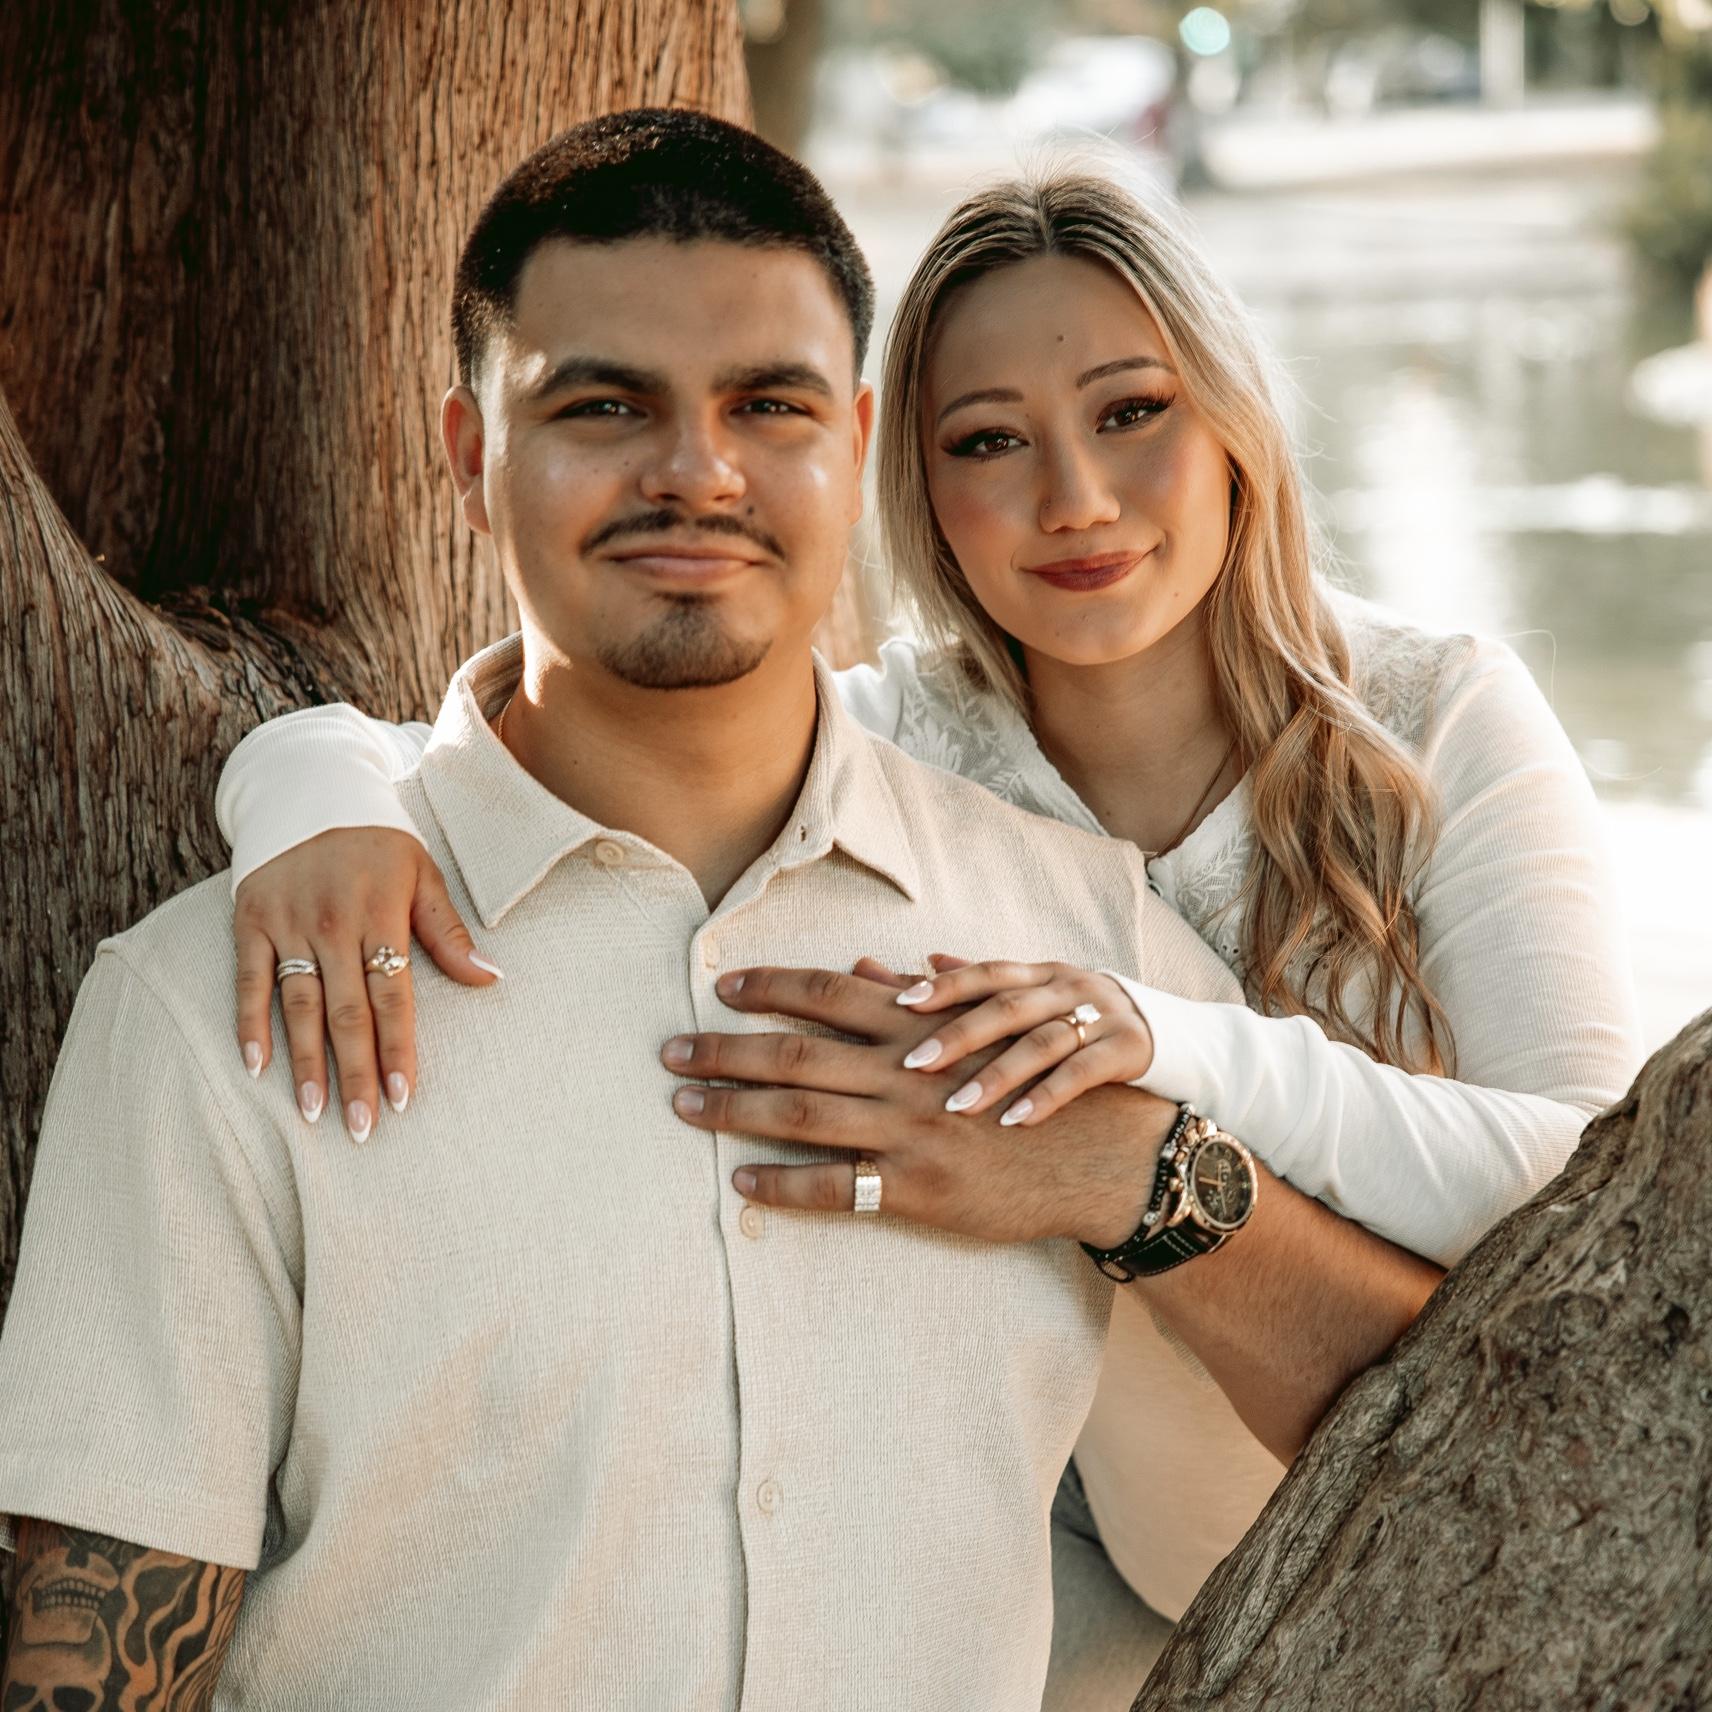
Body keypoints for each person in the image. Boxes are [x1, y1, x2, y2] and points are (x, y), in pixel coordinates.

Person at [0, 112, 1440, 1711]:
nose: (696, 471)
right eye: (603, 407)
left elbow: (1437, 1410)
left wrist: (1130, 1177)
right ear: (470, 455)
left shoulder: (1076, 938)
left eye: (768, 405)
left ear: (856, 443)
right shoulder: (221, 1004)